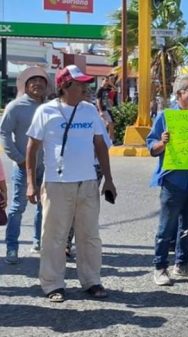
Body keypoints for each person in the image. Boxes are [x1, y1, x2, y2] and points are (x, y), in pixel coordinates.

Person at [26, 65, 116, 302]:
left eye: (87, 84)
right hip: (56, 183)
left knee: (90, 236)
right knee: (54, 236)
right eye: (80, 84)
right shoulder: (45, 112)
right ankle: (53, 284)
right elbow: (32, 148)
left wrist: (109, 179)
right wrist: (30, 183)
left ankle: (92, 281)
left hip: (87, 183)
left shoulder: (89, 111)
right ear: (65, 86)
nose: (86, 88)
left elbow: (100, 145)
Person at [147, 75, 188, 286]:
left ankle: (182, 264)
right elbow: (151, 146)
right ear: (179, 94)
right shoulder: (166, 116)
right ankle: (160, 267)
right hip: (174, 180)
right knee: (166, 227)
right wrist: (162, 143)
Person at [1, 66, 46, 264]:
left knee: (45, 207)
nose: (37, 84)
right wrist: (18, 158)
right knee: (17, 208)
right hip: (22, 166)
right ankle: (12, 247)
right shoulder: (15, 106)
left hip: (47, 167)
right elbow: (4, 133)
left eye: (41, 81)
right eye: (33, 81)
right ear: (26, 85)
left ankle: (39, 242)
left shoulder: (50, 106)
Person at [95, 74, 117, 140]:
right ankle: (110, 139)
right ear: (102, 81)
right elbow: (98, 101)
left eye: (107, 81)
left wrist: (111, 83)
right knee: (109, 123)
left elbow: (115, 89)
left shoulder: (107, 89)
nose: (106, 82)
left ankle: (110, 139)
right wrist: (100, 111)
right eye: (105, 80)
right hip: (103, 109)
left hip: (107, 108)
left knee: (110, 124)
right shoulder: (100, 90)